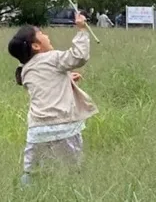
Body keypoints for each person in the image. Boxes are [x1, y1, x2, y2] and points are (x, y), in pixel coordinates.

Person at [8, 13, 98, 186]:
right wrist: (81, 29)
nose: (47, 35)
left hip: (37, 130)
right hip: (64, 126)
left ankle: (25, 194)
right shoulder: (54, 58)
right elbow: (79, 57)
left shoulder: (25, 70)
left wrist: (67, 79)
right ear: (36, 45)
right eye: (42, 34)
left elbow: (45, 83)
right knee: (72, 169)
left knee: (32, 172)